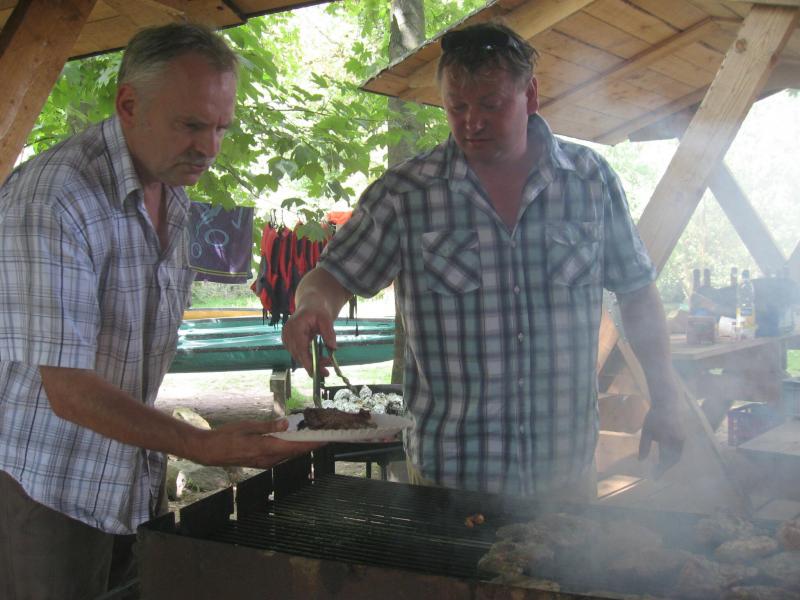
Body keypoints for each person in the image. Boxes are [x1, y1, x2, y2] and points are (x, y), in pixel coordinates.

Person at [282, 22, 684, 501]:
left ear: (530, 96)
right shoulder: (405, 194)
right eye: (457, 107)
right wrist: (312, 305)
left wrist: (666, 397)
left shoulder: (589, 180)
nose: (472, 122)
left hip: (565, 471)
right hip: (449, 476)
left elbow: (636, 292)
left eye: (491, 105)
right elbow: (332, 276)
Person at [0, 23, 320, 600]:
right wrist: (203, 445)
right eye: (191, 125)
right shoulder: (55, 196)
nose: (210, 147)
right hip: (45, 483)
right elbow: (68, 390)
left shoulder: (172, 188)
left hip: (126, 479)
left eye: (221, 127)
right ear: (128, 105)